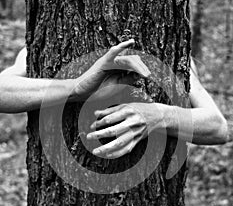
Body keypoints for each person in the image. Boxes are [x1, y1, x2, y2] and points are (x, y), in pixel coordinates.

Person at [0, 40, 228, 159]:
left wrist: (158, 115)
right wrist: (76, 89)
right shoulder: (42, 47)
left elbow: (217, 127)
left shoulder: (175, 54)